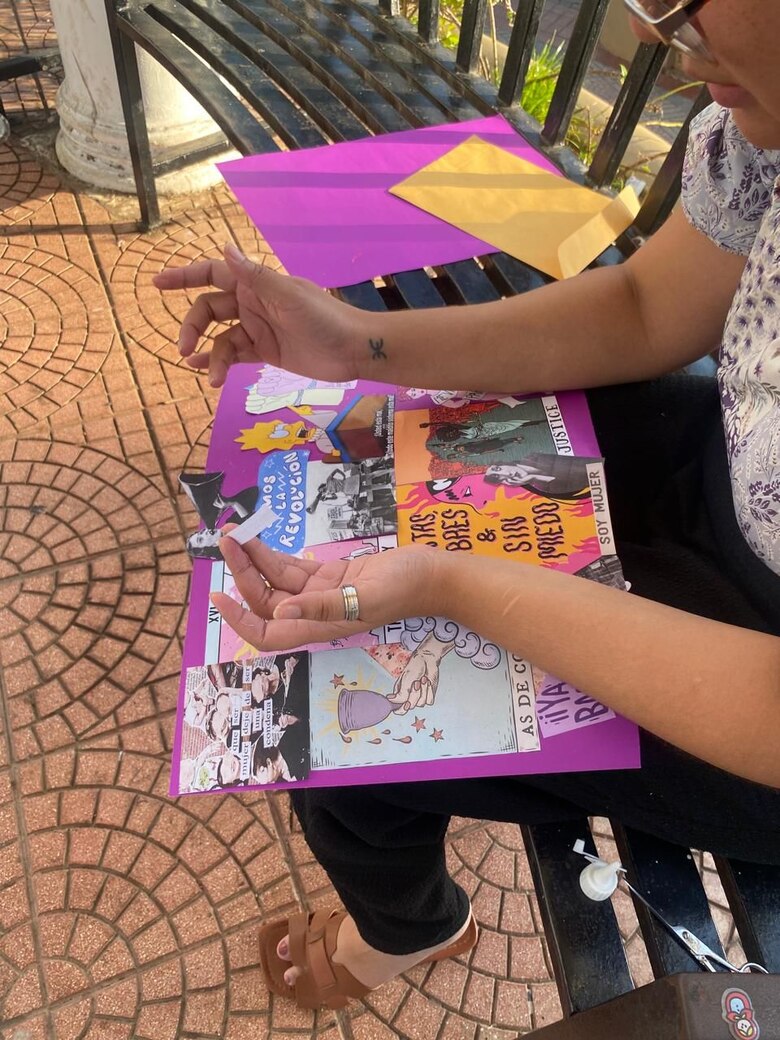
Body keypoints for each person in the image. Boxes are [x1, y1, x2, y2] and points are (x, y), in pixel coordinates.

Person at [154, 0, 780, 1011]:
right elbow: (646, 305)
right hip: (726, 458)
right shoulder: (764, 120)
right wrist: (356, 346)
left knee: (327, 724)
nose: (662, 32)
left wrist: (454, 582)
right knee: (387, 457)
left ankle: (409, 925)